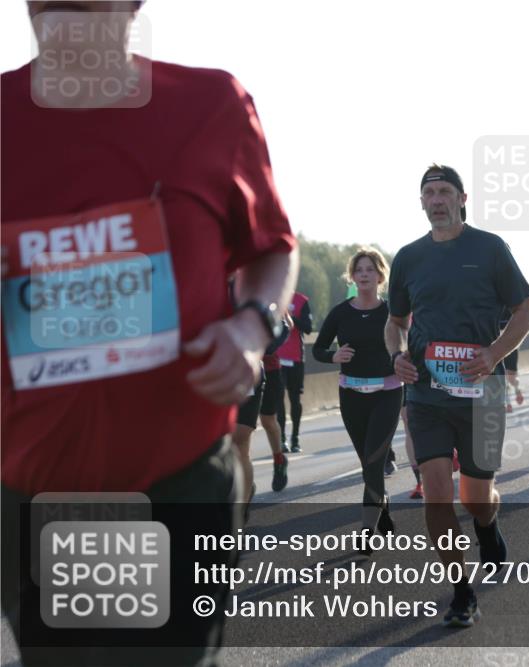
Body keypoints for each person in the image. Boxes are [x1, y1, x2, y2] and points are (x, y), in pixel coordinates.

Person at [1, 3, 298, 664]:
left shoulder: (211, 105)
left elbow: (272, 248)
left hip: (176, 482)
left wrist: (251, 326)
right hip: (28, 489)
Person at [385, 165, 529, 628]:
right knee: (436, 494)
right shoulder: (408, 257)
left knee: (475, 498)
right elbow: (395, 322)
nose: (437, 199)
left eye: (445, 191)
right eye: (429, 193)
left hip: (481, 393)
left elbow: (525, 313)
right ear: (421, 202)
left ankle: (487, 525)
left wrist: (493, 354)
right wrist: (396, 355)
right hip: (426, 394)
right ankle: (462, 591)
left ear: (462, 198)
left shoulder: (489, 248)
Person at [313, 248, 401, 553]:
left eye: (370, 269)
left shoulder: (392, 312)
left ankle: (366, 531)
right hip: (351, 396)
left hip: (388, 394)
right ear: (352, 276)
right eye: (359, 270)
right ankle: (382, 504)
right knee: (368, 465)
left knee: (374, 463)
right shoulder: (340, 313)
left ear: (380, 276)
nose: (364, 275)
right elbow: (318, 349)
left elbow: (410, 344)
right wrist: (333, 356)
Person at [233, 303, 292, 510]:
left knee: (267, 420)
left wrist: (259, 343)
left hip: (269, 370)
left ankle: (279, 459)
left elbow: (286, 325)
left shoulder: (258, 292)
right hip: (232, 371)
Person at [275, 290, 312, 452]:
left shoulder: (301, 301)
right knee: (278, 399)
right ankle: (282, 439)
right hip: (276, 358)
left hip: (296, 358)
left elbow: (308, 328)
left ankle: (295, 439)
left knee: (295, 399)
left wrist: (289, 316)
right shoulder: (272, 296)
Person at [499, 307, 525, 413]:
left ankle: (517, 389)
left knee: (511, 378)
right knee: (501, 376)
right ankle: (507, 403)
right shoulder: (492, 309)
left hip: (511, 348)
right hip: (496, 348)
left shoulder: (511, 309)